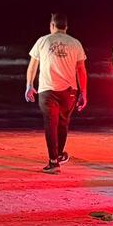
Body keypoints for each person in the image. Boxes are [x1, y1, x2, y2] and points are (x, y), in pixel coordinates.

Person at [26, 13, 88, 174]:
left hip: (47, 90)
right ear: (66, 27)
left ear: (52, 25)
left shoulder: (42, 41)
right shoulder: (75, 43)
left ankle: (54, 161)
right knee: (63, 123)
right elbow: (81, 70)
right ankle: (59, 154)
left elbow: (32, 66)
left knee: (50, 124)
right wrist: (84, 93)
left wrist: (29, 85)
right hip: (69, 91)